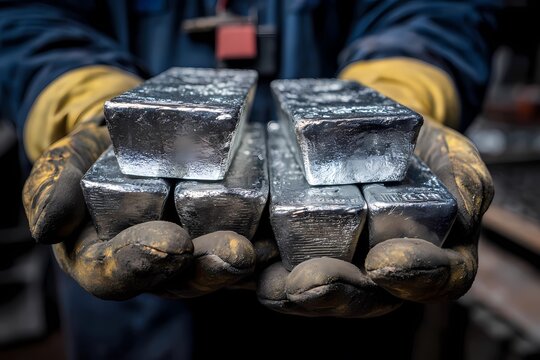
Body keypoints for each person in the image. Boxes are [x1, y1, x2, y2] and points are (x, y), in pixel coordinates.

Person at [0, 0, 498, 358]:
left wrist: (388, 102)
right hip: (136, 315)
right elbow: (24, 18)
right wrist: (86, 103)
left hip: (343, 298)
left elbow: (438, 12)